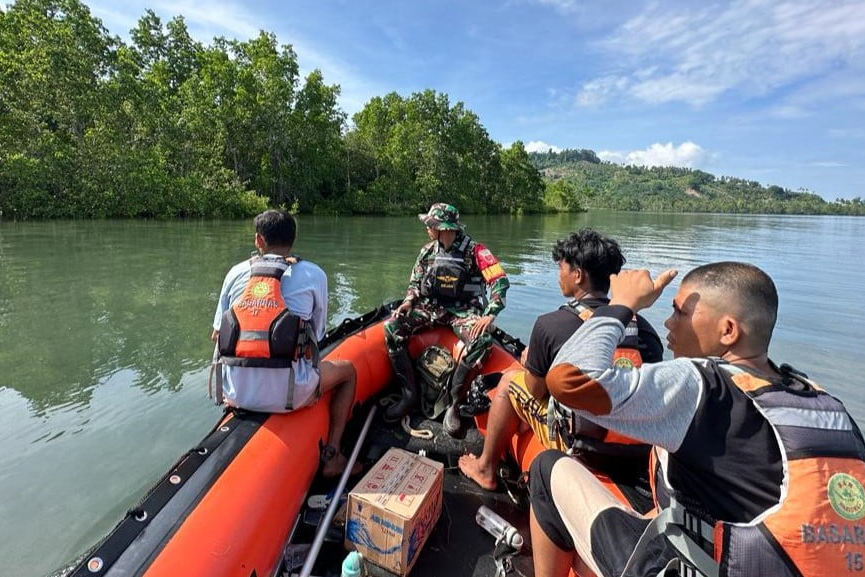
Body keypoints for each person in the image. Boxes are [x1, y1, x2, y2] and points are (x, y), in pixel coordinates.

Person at [529, 262, 865, 577]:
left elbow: (569, 379)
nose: (667, 324)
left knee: (547, 468)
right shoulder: (825, 402)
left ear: (727, 331)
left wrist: (623, 303)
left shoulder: (701, 381)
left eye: (679, 312)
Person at [458, 229, 663, 493]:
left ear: (577, 275)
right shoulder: (645, 329)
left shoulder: (551, 325)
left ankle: (485, 468)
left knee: (510, 382)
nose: (559, 275)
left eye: (561, 267)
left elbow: (534, 390)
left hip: (584, 445)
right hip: (633, 447)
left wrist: (530, 359)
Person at [210, 209, 357, 478]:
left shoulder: (235, 273)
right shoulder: (314, 274)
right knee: (348, 370)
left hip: (233, 391)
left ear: (258, 240)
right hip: (290, 393)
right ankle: (333, 455)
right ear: (293, 240)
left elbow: (217, 333)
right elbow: (319, 334)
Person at [383, 202, 510, 437]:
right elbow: (414, 284)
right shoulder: (428, 251)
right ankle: (409, 395)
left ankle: (453, 403)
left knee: (482, 341)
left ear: (443, 227)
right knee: (392, 327)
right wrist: (409, 301)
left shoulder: (476, 251)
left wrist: (490, 313)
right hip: (431, 308)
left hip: (462, 312)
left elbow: (499, 281)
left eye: (430, 224)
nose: (427, 229)